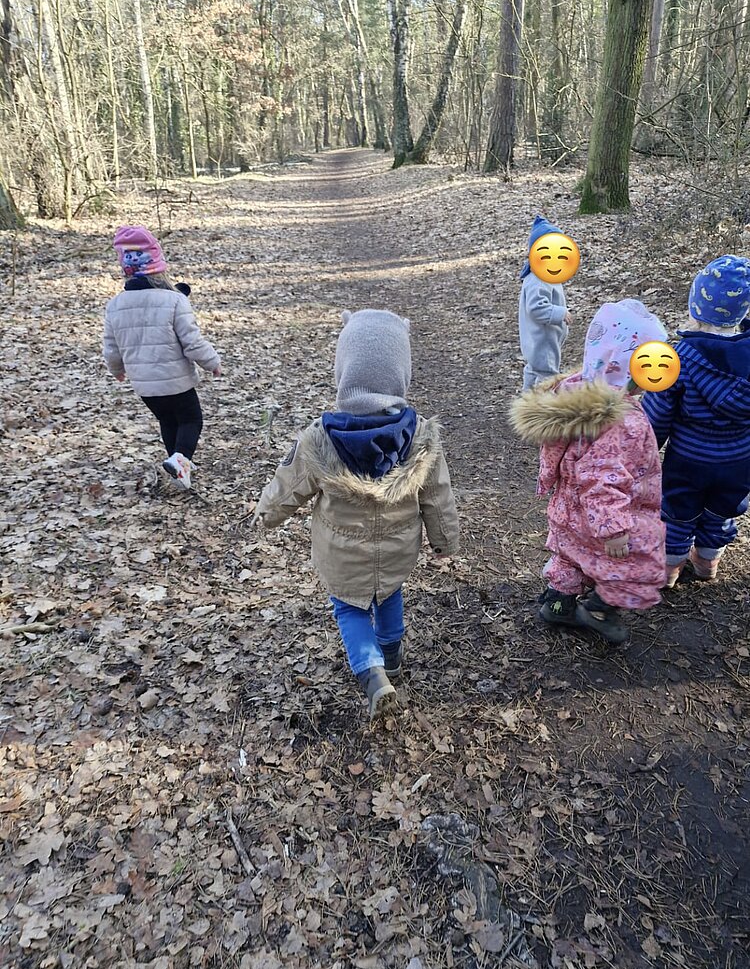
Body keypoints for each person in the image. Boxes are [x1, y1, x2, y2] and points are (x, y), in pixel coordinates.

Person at [253, 309, 460, 720]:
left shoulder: (319, 437)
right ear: (402, 373)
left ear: (343, 370)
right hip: (398, 549)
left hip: (341, 551)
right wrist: (444, 541)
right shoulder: (420, 435)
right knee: (389, 593)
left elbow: (289, 483)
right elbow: (438, 495)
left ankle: (372, 674)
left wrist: (266, 513)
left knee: (349, 607)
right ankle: (392, 654)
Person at [511, 299, 668, 644]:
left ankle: (558, 605)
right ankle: (601, 608)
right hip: (600, 516)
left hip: (569, 509)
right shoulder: (622, 420)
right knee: (638, 555)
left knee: (569, 555)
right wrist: (614, 528)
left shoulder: (575, 393)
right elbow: (603, 475)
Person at [642, 255, 750, 586]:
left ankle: (669, 573)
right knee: (721, 511)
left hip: (689, 459)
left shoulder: (678, 360)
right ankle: (707, 564)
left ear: (694, 308)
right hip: (739, 460)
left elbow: (658, 413)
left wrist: (645, 451)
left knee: (677, 512)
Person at [103, 225, 221, 490]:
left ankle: (178, 465)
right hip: (175, 381)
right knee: (191, 419)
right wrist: (212, 362)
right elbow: (192, 342)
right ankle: (181, 461)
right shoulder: (175, 301)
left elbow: (111, 347)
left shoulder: (115, 305)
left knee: (167, 420)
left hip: (144, 385)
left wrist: (116, 370)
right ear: (158, 267)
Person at [518, 215, 572, 391]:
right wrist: (559, 313)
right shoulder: (538, 279)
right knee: (547, 374)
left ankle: (526, 402)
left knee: (534, 370)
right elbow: (536, 308)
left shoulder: (547, 275)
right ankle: (542, 409)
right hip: (542, 338)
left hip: (544, 337)